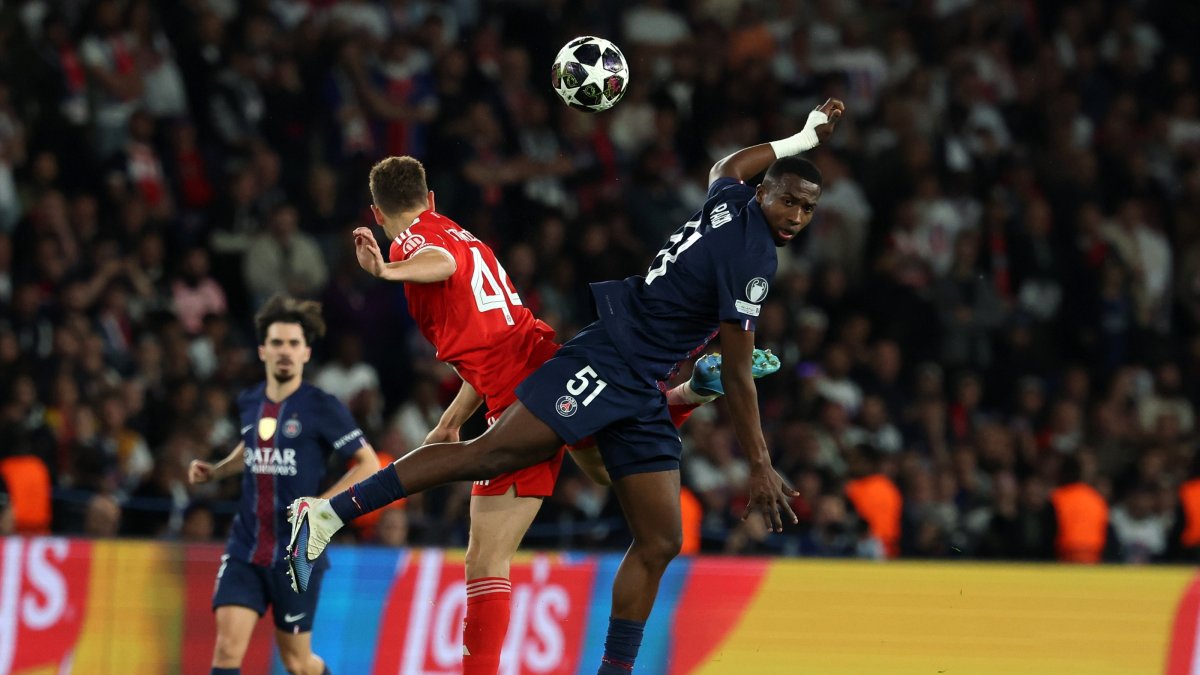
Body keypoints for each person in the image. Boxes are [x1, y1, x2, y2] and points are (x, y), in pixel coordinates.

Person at [289, 99, 844, 674]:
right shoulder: (751, 255)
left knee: (659, 539)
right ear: (764, 195)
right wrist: (758, 461)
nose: (798, 216)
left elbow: (726, 167)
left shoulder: (731, 201)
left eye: (808, 208)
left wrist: (800, 139)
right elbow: (737, 368)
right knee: (501, 458)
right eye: (789, 201)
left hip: (635, 373)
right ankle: (330, 514)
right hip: (612, 357)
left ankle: (614, 668)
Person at [188, 296, 380, 675]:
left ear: (306, 352)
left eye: (294, 344)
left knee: (297, 662)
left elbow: (368, 463)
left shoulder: (322, 405)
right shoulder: (249, 401)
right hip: (245, 547)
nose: (285, 351)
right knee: (226, 651)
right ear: (262, 350)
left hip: (297, 555)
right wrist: (217, 471)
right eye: (277, 343)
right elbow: (251, 447)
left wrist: (321, 508)